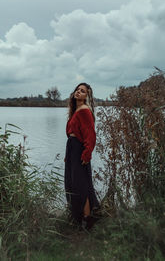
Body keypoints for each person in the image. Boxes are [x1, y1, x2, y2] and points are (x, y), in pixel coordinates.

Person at [65, 82, 99, 229]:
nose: (78, 92)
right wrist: (69, 155)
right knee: (72, 183)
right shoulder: (76, 110)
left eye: (83, 91)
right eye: (77, 90)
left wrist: (86, 155)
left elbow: (90, 136)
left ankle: (87, 219)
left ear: (87, 96)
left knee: (81, 185)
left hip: (79, 150)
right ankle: (79, 217)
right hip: (73, 149)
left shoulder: (85, 110)